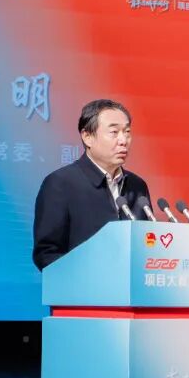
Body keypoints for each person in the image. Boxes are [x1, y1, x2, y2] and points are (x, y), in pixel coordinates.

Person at [32, 99, 151, 270]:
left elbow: (147, 244)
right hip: (80, 286)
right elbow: (47, 253)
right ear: (87, 137)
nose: (123, 140)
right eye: (114, 132)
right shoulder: (61, 183)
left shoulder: (137, 186)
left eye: (127, 132)